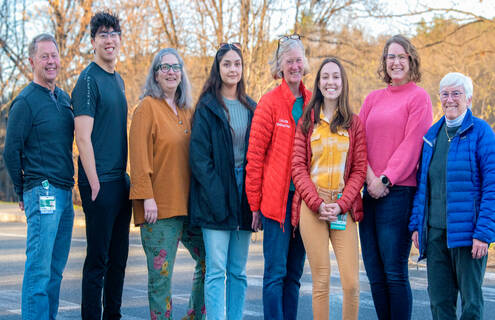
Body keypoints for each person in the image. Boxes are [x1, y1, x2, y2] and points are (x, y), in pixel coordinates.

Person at [409, 72, 495, 319]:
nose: (450, 99)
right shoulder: (432, 136)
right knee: (439, 303)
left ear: (468, 98)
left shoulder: (481, 133)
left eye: (456, 93)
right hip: (435, 235)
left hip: (469, 238)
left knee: (471, 305)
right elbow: (423, 185)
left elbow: (492, 186)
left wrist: (483, 233)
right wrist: (417, 225)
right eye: (445, 94)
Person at [358, 34, 432, 320]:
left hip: (398, 194)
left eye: (402, 56)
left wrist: (385, 179)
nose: (396, 62)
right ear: (384, 62)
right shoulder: (373, 98)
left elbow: (413, 144)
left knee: (394, 273)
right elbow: (358, 141)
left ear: (410, 60)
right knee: (375, 274)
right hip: (369, 193)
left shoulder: (419, 97)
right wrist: (369, 178)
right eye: (391, 56)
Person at [129, 48, 206, 320]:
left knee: (211, 261)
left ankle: (194, 316)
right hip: (159, 210)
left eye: (176, 67)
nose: (171, 72)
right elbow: (138, 158)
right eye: (164, 67)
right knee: (161, 280)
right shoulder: (147, 108)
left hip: (190, 208)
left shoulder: (187, 110)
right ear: (156, 75)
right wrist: (146, 197)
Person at [3, 33, 74, 320]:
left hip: (66, 193)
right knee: (39, 270)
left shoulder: (64, 99)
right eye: (44, 56)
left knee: (55, 271)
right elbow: (11, 152)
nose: (50, 61)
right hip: (42, 191)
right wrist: (24, 192)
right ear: (32, 61)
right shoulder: (25, 102)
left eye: (54, 55)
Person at [292, 57, 367, 320]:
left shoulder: (354, 123)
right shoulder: (307, 121)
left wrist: (342, 204)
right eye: (325, 77)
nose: (331, 82)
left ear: (343, 82)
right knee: (321, 282)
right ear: (319, 82)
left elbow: (359, 170)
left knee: (351, 284)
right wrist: (317, 203)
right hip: (313, 207)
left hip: (343, 209)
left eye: (336, 77)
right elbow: (298, 168)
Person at [245, 34, 311, 320]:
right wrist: (254, 205)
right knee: (275, 274)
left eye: (299, 60)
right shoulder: (270, 103)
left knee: (294, 275)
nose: (295, 66)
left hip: (306, 203)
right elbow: (255, 157)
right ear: (280, 66)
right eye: (289, 61)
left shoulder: (313, 102)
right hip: (277, 202)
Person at [189, 42, 256, 320]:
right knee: (216, 269)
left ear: (242, 69)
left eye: (237, 64)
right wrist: (217, 196)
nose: (232, 69)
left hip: (245, 193)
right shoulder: (207, 107)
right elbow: (199, 160)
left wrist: (255, 201)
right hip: (215, 192)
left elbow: (258, 155)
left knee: (238, 271)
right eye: (227, 64)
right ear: (218, 69)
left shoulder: (252, 107)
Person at [71, 11, 132, 319]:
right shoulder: (87, 81)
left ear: (119, 39)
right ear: (93, 41)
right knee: (98, 260)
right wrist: (93, 182)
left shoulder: (118, 80)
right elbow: (83, 138)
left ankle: (114, 316)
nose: (109, 40)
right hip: (99, 182)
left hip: (120, 180)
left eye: (113, 33)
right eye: (103, 35)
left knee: (119, 259)